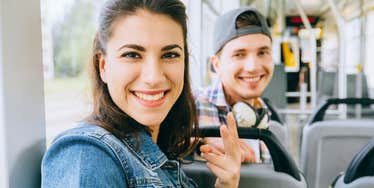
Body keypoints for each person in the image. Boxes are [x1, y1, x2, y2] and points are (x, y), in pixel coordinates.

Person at [41, 0, 241, 187]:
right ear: (103, 66)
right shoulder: (87, 154)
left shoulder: (160, 152)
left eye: (170, 55)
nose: (153, 77)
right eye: (132, 55)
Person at [195, 7, 274, 163]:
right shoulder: (190, 106)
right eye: (239, 54)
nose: (253, 66)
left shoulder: (264, 113)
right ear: (216, 64)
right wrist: (198, 143)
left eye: (262, 52)